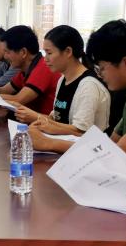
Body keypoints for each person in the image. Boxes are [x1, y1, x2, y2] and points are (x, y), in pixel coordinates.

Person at [27, 21, 126, 246]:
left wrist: (50, 144)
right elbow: (109, 144)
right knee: (60, 206)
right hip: (124, 185)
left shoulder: (96, 86)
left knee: (66, 215)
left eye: (102, 67)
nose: (100, 74)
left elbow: (116, 154)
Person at [16, 25, 111, 153]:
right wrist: (39, 123)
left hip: (87, 153)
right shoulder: (62, 79)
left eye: (49, 53)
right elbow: (55, 118)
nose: (45, 59)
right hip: (65, 149)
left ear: (68, 52)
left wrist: (38, 118)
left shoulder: (89, 86)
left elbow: (81, 131)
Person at [0, 25, 61, 115]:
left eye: (7, 52)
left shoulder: (43, 67)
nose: (5, 56)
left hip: (45, 121)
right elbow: (4, 90)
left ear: (23, 52)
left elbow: (18, 99)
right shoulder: (25, 69)